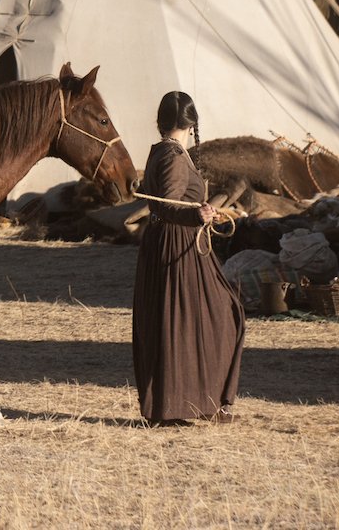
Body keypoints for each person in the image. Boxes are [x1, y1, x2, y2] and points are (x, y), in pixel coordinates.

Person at [132, 91, 244, 426]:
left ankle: (198, 403)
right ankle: (183, 405)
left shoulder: (166, 152)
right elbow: (168, 206)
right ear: (191, 123)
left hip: (177, 243)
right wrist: (198, 215)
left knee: (194, 321)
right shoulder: (171, 156)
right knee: (216, 316)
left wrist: (203, 214)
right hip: (176, 246)